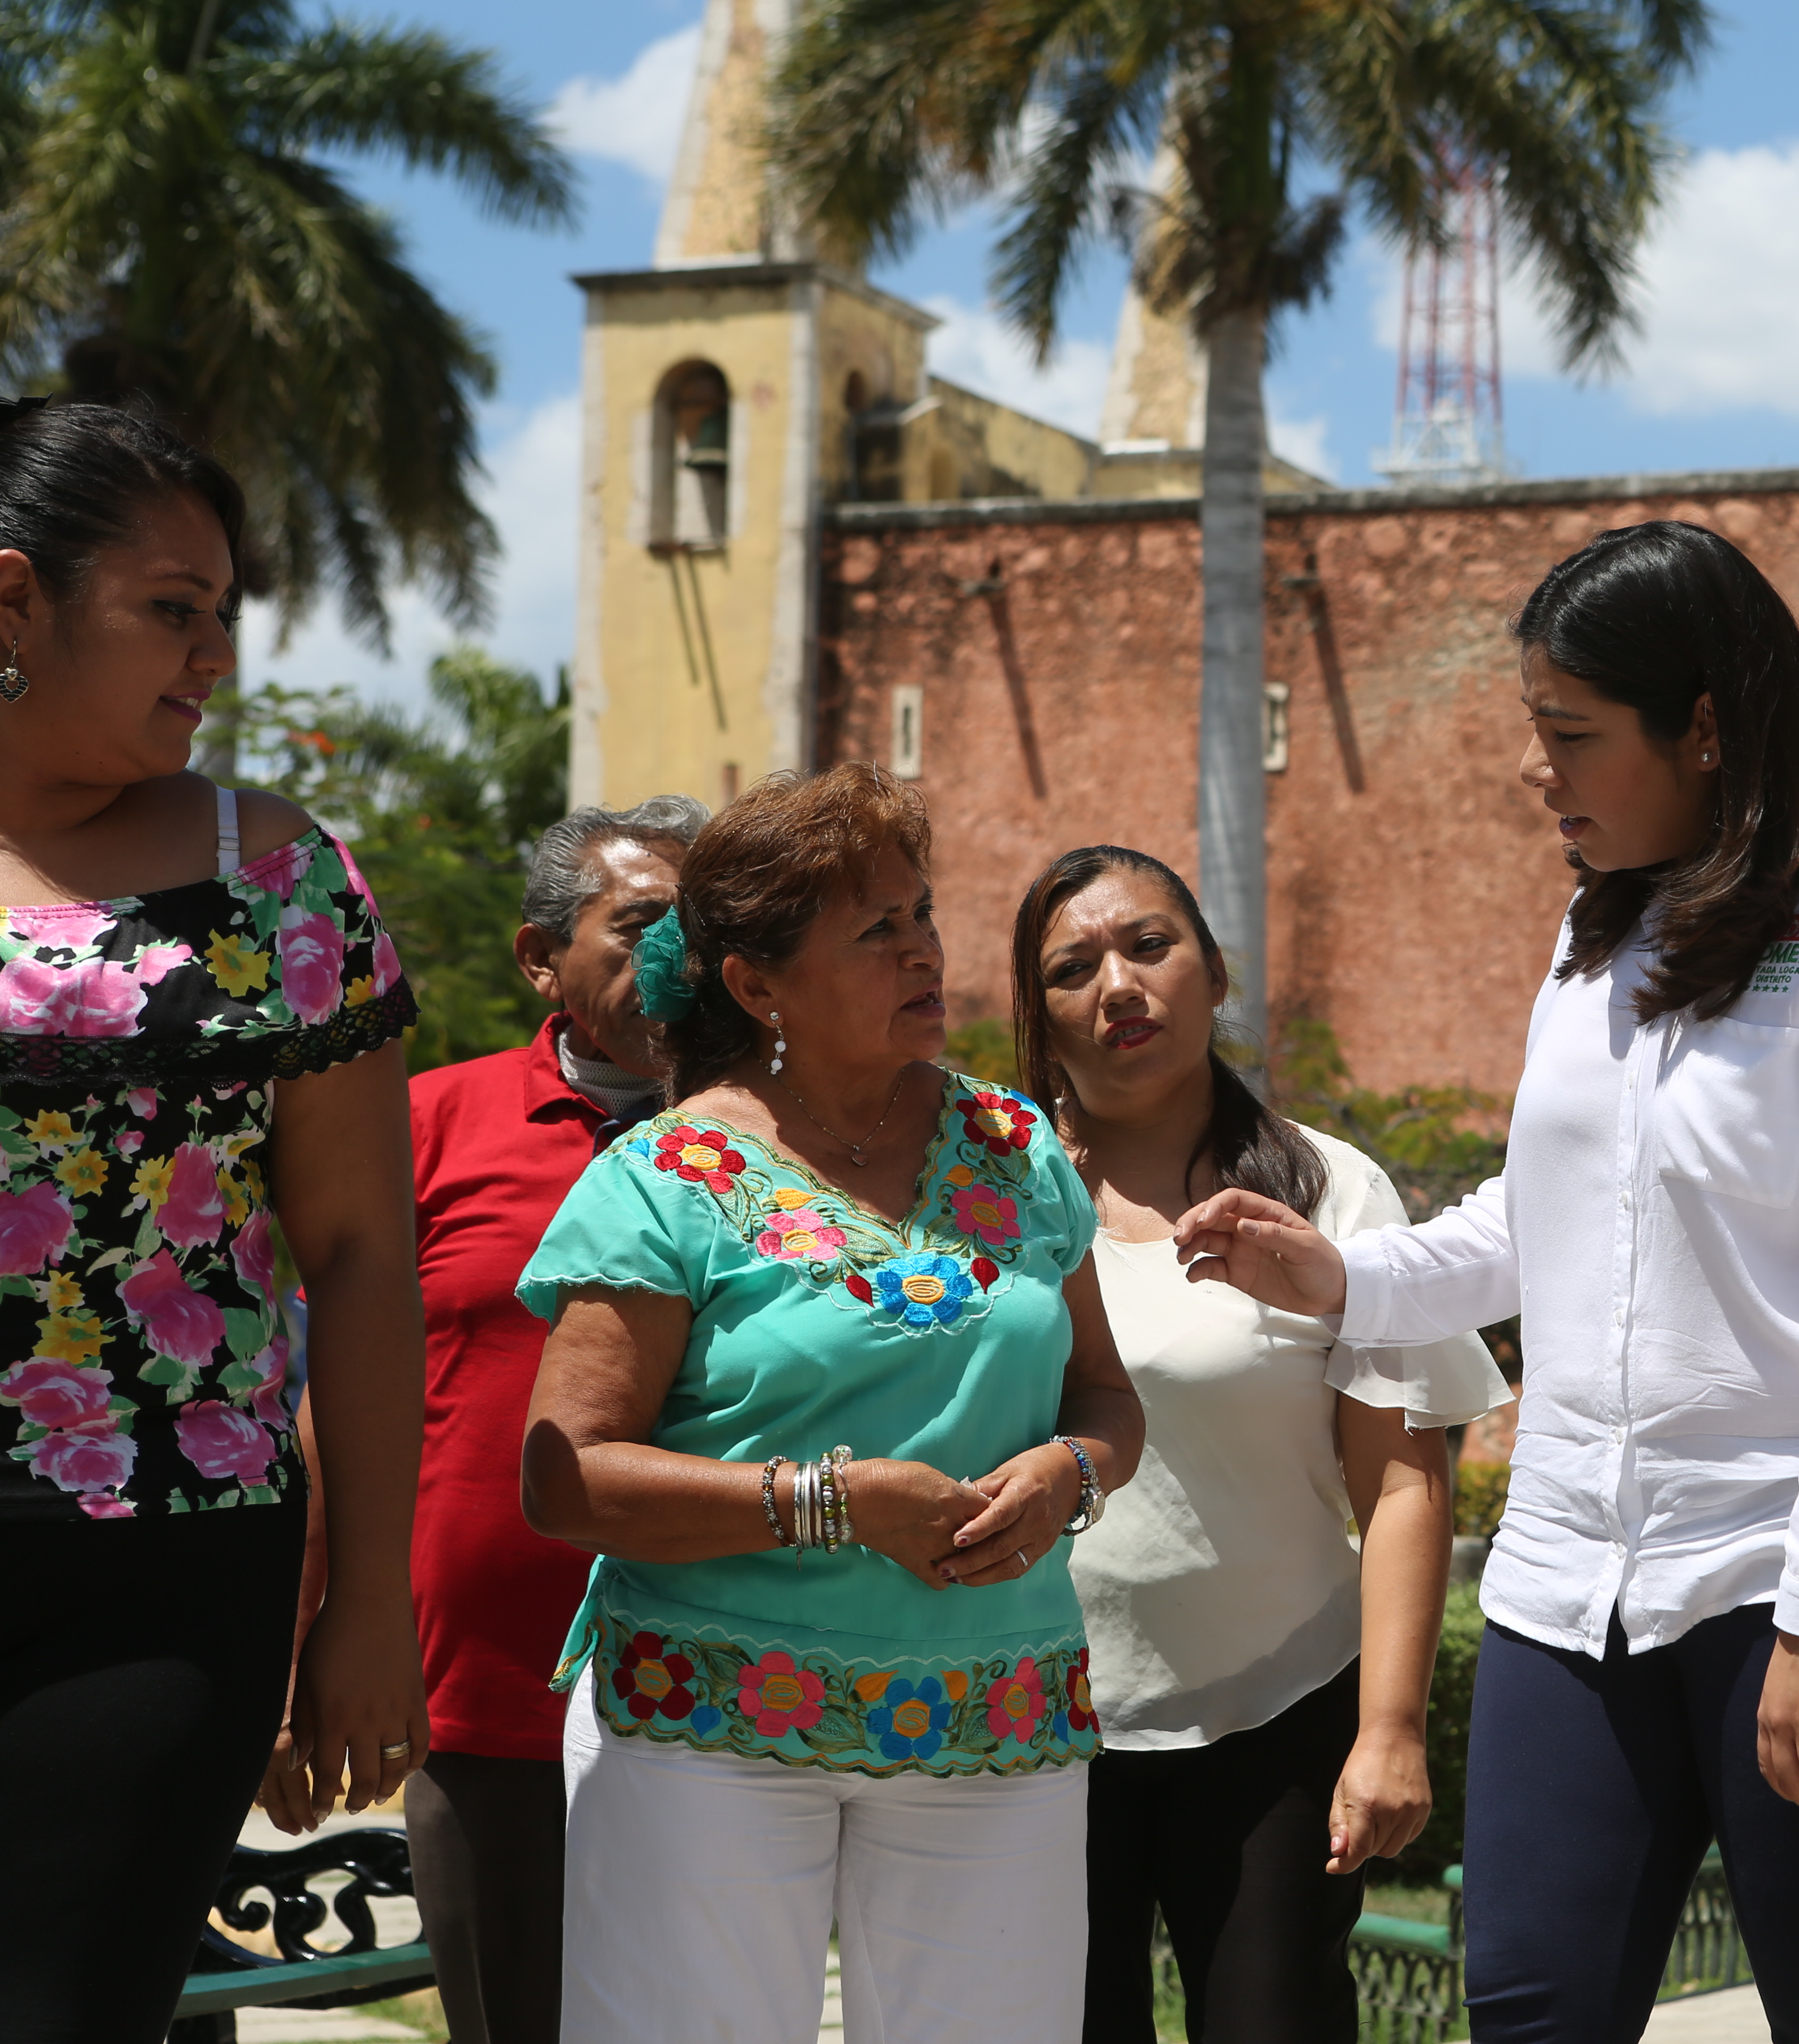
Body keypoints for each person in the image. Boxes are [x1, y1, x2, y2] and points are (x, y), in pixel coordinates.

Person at [1174, 521, 1799, 2042]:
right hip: (1581, 1559)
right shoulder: (1612, 919)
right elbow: (1559, 1215)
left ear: (1704, 726)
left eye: (1571, 734)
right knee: (1532, 2006)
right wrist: (1344, 1278)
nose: (1541, 772)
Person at [516, 763, 1145, 2044]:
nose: (923, 951)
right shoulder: (666, 1176)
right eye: (876, 931)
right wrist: (831, 1505)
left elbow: (1103, 1394)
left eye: (922, 916)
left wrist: (1074, 1470)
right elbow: (567, 1475)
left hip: (996, 1720)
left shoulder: (1020, 1147)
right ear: (757, 986)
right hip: (710, 1725)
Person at [0, 397, 429, 2038]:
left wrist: (368, 1598)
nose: (217, 658)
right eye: (172, 610)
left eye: (228, 613)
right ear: (13, 601)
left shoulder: (283, 876)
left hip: (166, 1581)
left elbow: (361, 1252)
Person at [1016, 844, 1510, 2044]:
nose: (1118, 987)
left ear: (1217, 968)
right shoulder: (995, 1199)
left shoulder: (1325, 1194)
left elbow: (1402, 1478)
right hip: (1031, 1724)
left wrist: (1390, 1731)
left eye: (1150, 946)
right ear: (1039, 1018)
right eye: (1074, 968)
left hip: (1278, 1718)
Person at [387, 796, 705, 2044]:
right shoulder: (429, 1125)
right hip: (487, 1691)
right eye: (638, 928)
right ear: (542, 957)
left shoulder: (790, 1149)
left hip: (730, 1683)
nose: (673, 960)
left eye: (702, 927)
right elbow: (335, 1395)